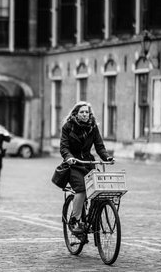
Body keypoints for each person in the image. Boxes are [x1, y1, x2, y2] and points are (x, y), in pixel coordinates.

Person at [60, 101, 114, 239]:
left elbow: (99, 146)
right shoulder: (68, 127)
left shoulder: (93, 127)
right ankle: (75, 220)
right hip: (74, 165)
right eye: (82, 112)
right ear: (76, 114)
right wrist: (69, 157)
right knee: (82, 189)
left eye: (86, 112)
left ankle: (92, 217)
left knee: (99, 190)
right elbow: (64, 147)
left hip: (88, 163)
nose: (85, 114)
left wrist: (106, 157)